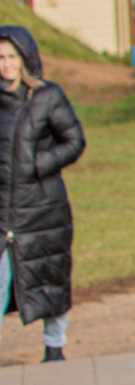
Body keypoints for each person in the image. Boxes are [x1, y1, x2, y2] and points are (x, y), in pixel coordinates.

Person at [0, 28, 82, 363]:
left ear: (25, 59)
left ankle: (54, 346)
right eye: (0, 58)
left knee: (50, 274)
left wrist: (38, 164)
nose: (5, 64)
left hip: (42, 208)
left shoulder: (48, 96)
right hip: (3, 208)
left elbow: (74, 141)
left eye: (10, 57)